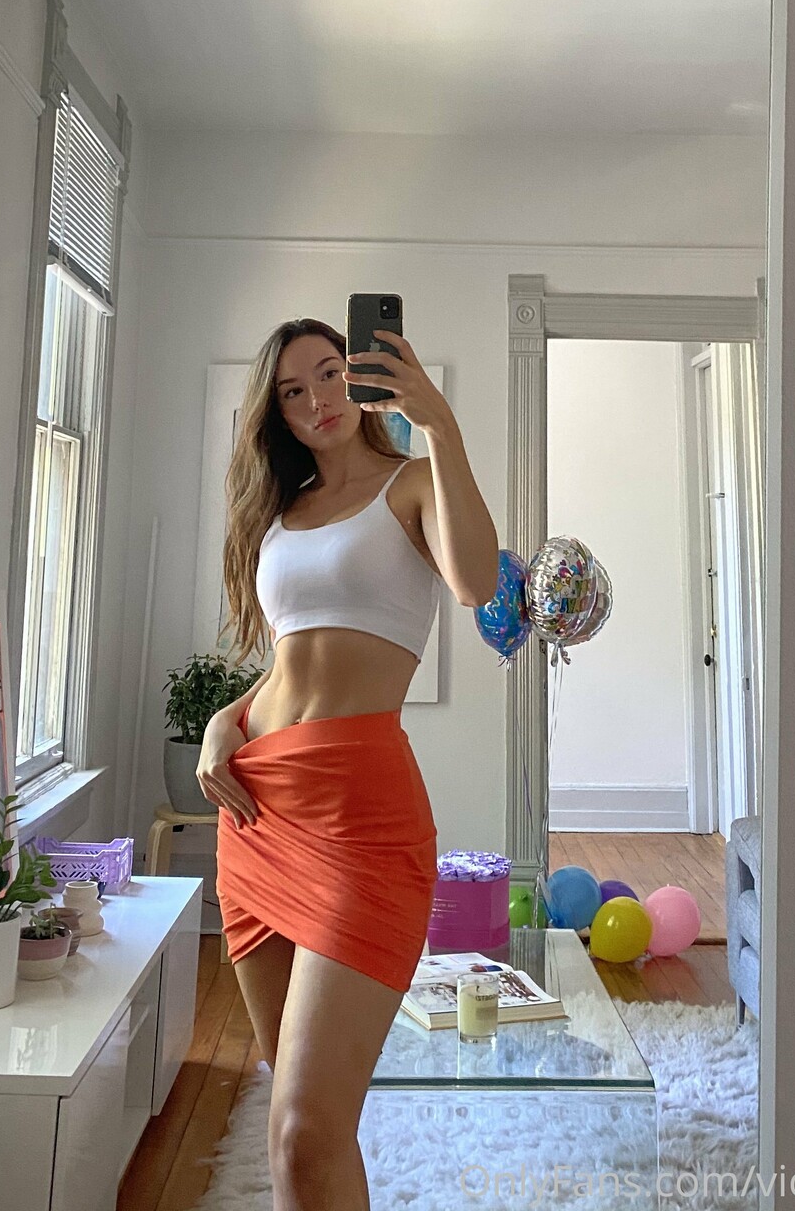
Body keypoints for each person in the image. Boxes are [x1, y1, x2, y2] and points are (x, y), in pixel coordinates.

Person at [200, 314, 499, 1211]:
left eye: (329, 374)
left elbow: (478, 584)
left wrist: (439, 424)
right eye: (291, 391)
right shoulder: (280, 513)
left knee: (305, 1130)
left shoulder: (412, 483)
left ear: (359, 376)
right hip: (257, 810)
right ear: (277, 414)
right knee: (302, 1125)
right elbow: (291, 661)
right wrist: (225, 719)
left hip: (359, 818)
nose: (316, 401)